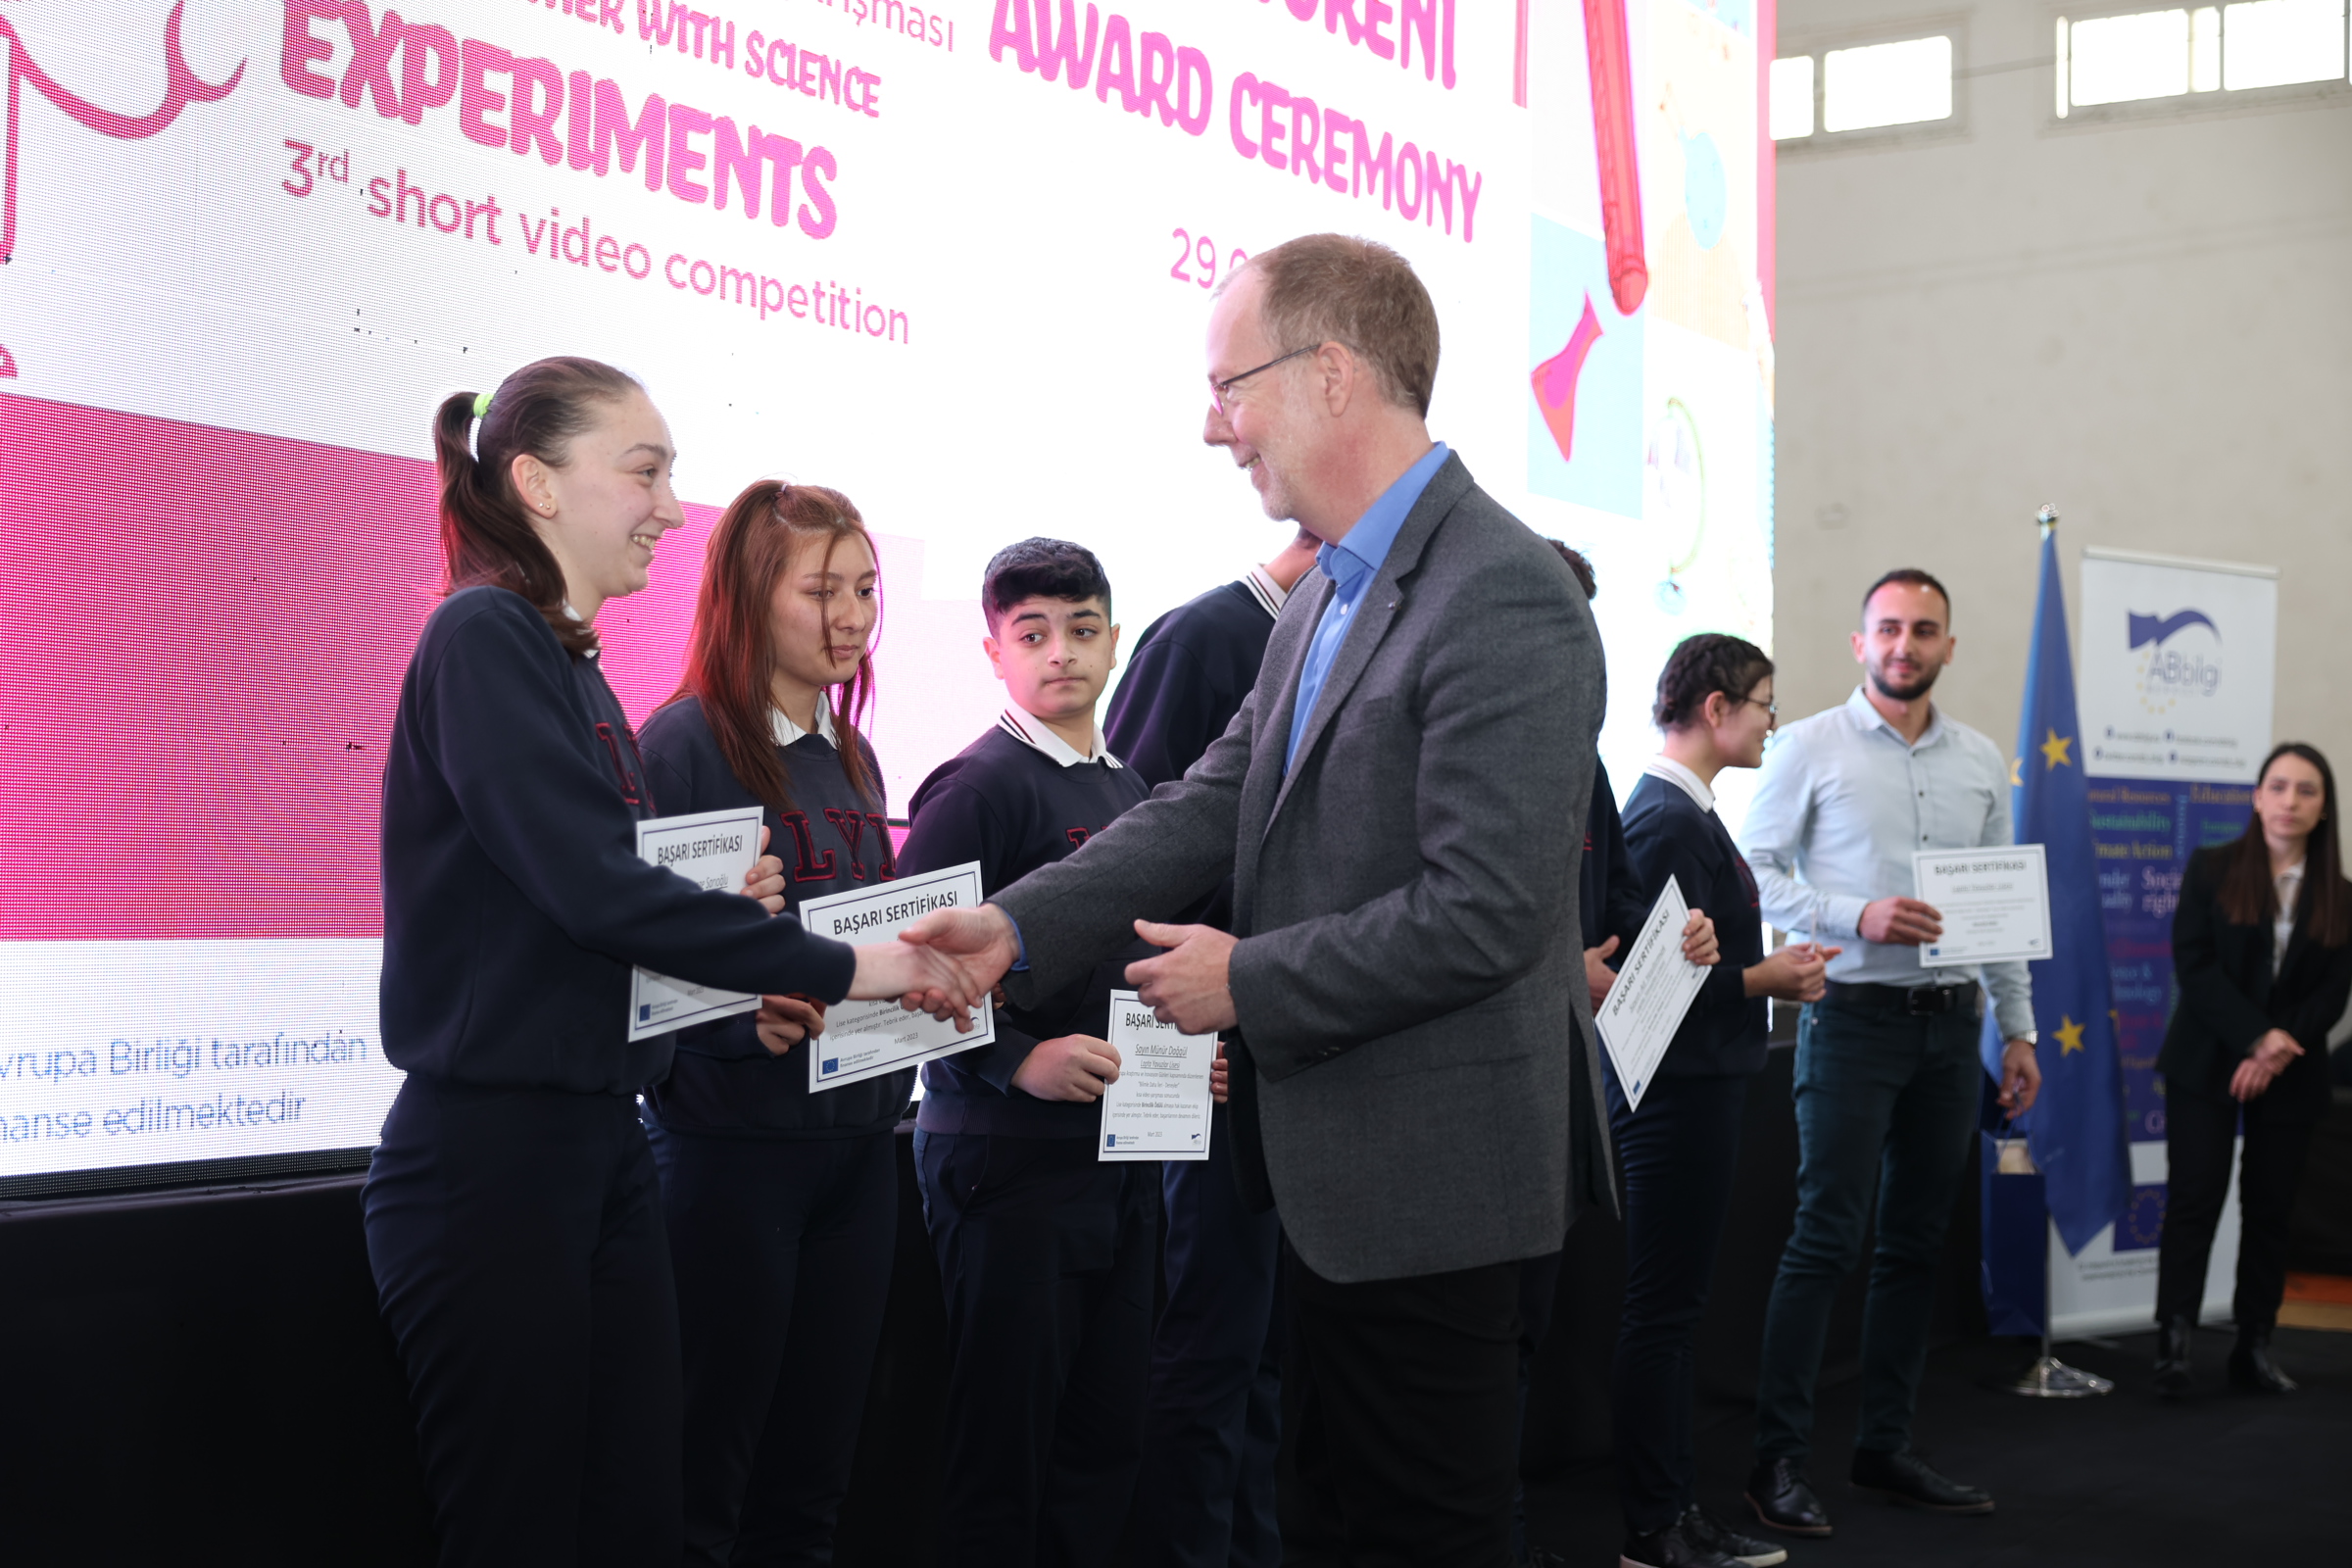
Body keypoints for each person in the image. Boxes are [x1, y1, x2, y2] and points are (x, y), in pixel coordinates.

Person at [904, 233, 1614, 1566]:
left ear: (1331, 373)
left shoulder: (1500, 591)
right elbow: (1207, 803)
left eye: (1229, 387)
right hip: (1326, 1184)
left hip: (1435, 1189)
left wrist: (1245, 979)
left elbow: (1485, 911)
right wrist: (1014, 929)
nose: (1213, 426)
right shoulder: (1327, 596)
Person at [363, 359, 973, 1567]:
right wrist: (851, 968)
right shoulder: (483, 634)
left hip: (595, 1146)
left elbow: (598, 908)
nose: (667, 506)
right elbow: (595, 889)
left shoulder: (569, 661)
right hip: (493, 1159)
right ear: (537, 484)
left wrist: (721, 940)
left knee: (641, 1519)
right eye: (644, 471)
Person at [1736, 568, 2042, 1535]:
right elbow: (1751, 872)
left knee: (1915, 1243)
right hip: (1852, 1020)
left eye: (1924, 629)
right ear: (1860, 643)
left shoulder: (1982, 759)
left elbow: (1996, 907)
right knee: (1827, 1237)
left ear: (1949, 645)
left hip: (1952, 1027)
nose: (1905, 645)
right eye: (1889, 628)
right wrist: (1853, 913)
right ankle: (1776, 1461)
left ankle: (1885, 1446)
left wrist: (2018, 1027)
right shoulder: (1806, 745)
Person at [635, 481, 906, 1565]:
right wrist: (735, 1017)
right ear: (752, 596)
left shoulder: (853, 753)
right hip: (730, 1156)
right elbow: (637, 962)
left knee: (813, 1483)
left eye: (866, 589)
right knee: (705, 1480)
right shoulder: (684, 744)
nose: (852, 616)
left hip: (860, 1153)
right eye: (822, 590)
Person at [896, 538, 1157, 1567]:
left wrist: (1193, 1058)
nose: (1061, 653)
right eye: (1033, 633)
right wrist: (1016, 1060)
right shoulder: (975, 787)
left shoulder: (1134, 792)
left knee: (1105, 1440)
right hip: (1004, 1160)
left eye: (1082, 630)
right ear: (994, 652)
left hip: (1122, 1159)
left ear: (1115, 642)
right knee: (1005, 1450)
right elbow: (907, 974)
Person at [1102, 527, 1318, 1568]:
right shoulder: (1202, 639)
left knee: (1258, 1356)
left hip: (1281, 1050)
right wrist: (1175, 1049)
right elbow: (1134, 856)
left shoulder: (1319, 640)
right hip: (1201, 1063)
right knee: (1209, 1350)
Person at [1608, 635, 1837, 1568]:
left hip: (1698, 1090)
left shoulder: (1686, 812)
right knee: (1662, 1312)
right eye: (1765, 704)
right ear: (1716, 707)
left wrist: (1757, 974)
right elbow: (1645, 988)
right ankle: (1656, 1526)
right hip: (1674, 1097)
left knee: (1673, 1310)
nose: (1772, 722)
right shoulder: (1666, 818)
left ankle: (1674, 1514)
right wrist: (1763, 978)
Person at [1515, 544, 1714, 1568]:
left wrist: (1679, 942)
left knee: (1526, 1333)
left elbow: (1629, 910)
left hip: (1563, 1102)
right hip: (1464, 1107)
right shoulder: (1440, 741)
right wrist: (1566, 970)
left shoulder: (1586, 765)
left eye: (1580, 616)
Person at [2153, 742, 2352, 1396]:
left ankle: (2254, 1344)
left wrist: (2278, 1047)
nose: (2291, 801)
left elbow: (2334, 992)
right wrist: (2256, 1038)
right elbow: (2195, 966)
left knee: (2271, 1209)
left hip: (2292, 1069)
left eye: (2307, 790)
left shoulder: (2342, 896)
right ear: (2258, 798)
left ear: (2324, 809)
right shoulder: (2211, 869)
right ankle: (2174, 1344)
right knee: (2195, 1198)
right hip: (2206, 1057)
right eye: (2279, 786)